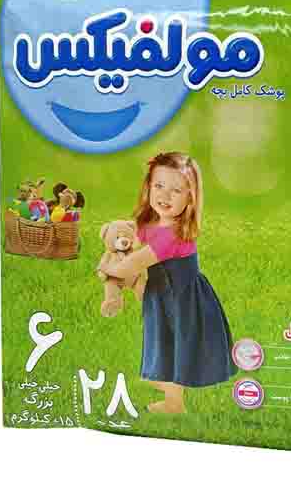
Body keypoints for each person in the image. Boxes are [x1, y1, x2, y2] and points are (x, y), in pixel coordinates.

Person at [100, 152, 236, 413]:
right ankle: (166, 387)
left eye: (176, 190)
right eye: (159, 186)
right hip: (162, 295)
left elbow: (132, 263)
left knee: (175, 345)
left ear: (190, 198)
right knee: (163, 341)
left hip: (181, 299)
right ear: (148, 187)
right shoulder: (150, 224)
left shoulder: (172, 234)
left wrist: (107, 269)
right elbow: (131, 246)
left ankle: (174, 401)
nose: (165, 195)